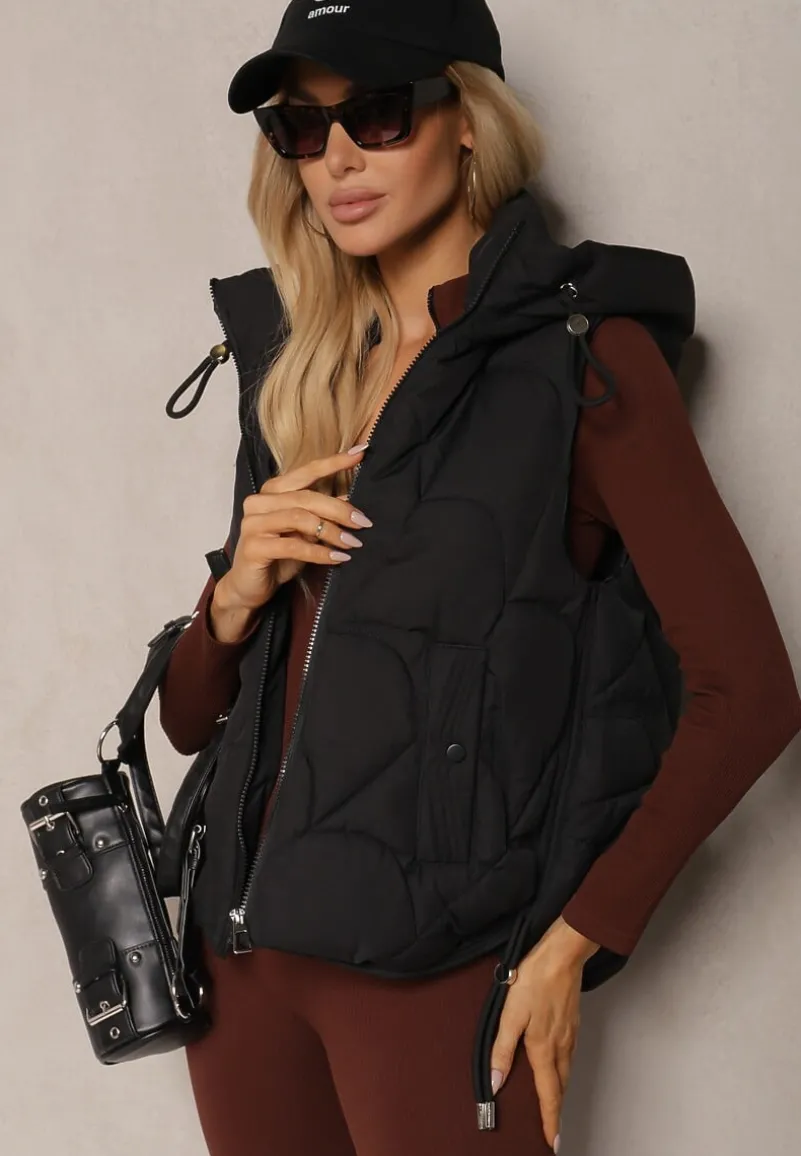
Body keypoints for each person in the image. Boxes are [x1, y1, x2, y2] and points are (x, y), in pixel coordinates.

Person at [157, 1, 801, 1153]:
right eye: (302, 128)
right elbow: (189, 719)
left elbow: (750, 692)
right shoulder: (301, 370)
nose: (338, 158)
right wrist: (235, 595)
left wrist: (575, 940)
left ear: (469, 122)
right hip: (241, 979)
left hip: (437, 980)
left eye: (378, 114)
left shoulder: (587, 364)